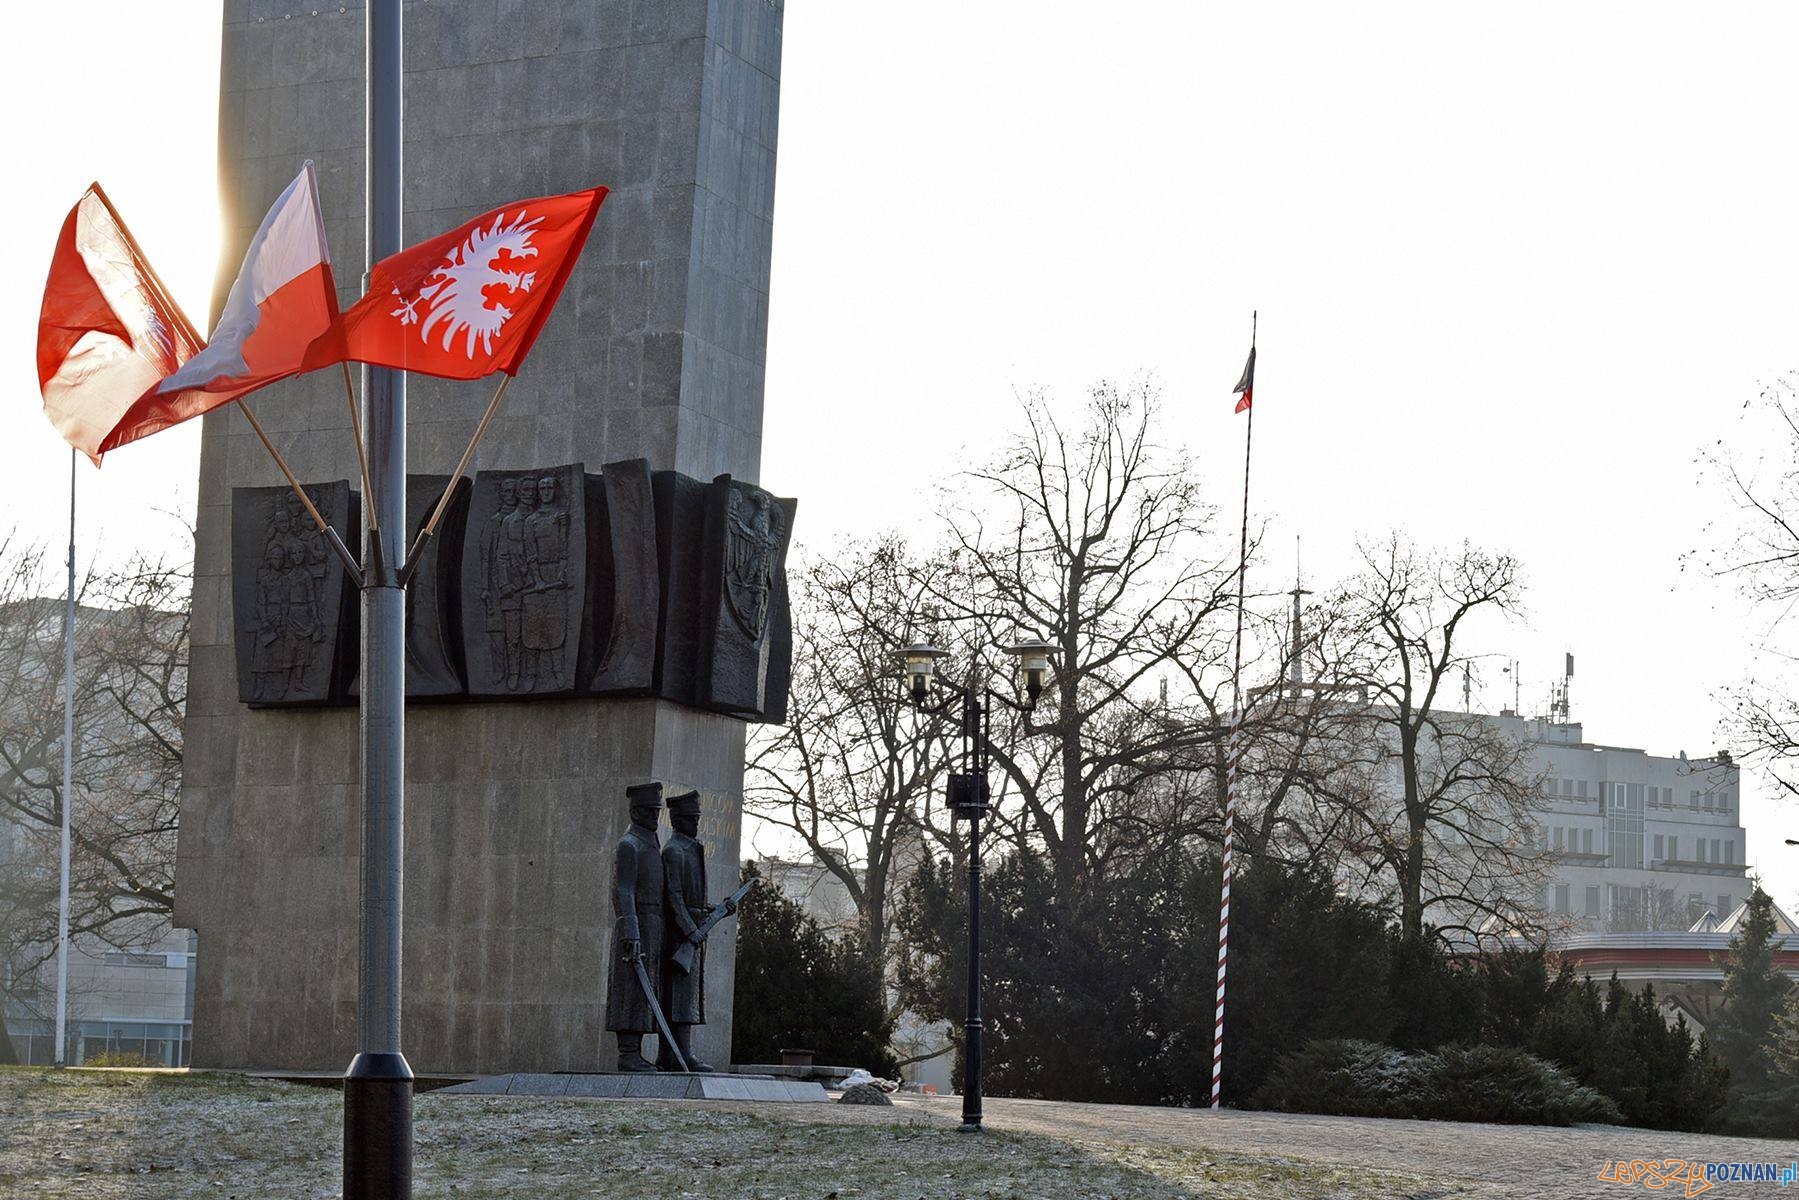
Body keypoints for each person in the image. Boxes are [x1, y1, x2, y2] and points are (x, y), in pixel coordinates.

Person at [607, 782, 666, 1072]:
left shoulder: (651, 844)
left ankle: (637, 1051)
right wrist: (631, 930)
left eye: (656, 811)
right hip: (635, 925)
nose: (654, 817)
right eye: (649, 811)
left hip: (653, 925)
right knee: (630, 989)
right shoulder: (628, 845)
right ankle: (628, 1052)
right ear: (635, 812)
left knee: (645, 991)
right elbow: (623, 890)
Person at [660, 788, 715, 1072]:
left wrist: (713, 910)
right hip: (679, 935)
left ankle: (681, 1053)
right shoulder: (673, 851)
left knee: (689, 995)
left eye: (697, 818)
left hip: (693, 929)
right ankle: (675, 1054)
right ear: (679, 820)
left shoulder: (691, 849)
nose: (696, 823)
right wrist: (689, 929)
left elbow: (692, 898)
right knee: (678, 995)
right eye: (692, 819)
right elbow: (674, 896)